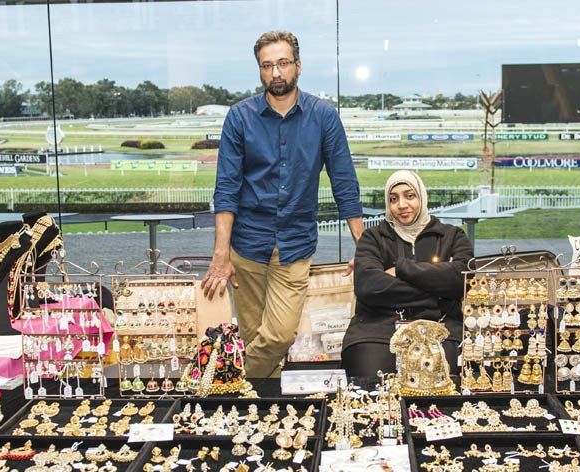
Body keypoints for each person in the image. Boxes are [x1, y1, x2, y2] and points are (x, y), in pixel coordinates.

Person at [201, 30, 364, 378]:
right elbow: (226, 188)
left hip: (295, 245)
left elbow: (344, 182)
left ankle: (227, 382)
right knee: (254, 337)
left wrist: (365, 247)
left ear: (298, 66)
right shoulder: (240, 117)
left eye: (283, 64)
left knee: (278, 335)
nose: (276, 73)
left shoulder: (323, 116)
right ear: (260, 70)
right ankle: (263, 415)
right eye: (267, 66)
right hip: (246, 247)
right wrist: (221, 254)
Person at [342, 170, 473, 378]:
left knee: (447, 376)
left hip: (441, 327)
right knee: (368, 377)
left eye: (409, 196)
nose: (401, 205)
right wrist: (437, 291)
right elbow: (368, 286)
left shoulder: (452, 236)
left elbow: (461, 279)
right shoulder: (373, 238)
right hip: (378, 330)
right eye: (393, 199)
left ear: (422, 196)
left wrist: (401, 269)